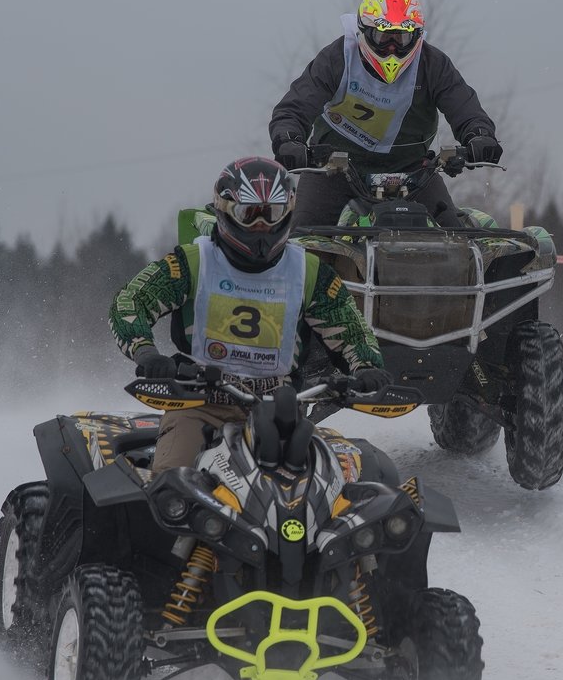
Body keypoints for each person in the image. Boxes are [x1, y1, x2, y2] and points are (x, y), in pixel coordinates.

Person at [110, 156, 390, 471]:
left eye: (271, 214)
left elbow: (350, 328)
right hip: (198, 404)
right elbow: (131, 301)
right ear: (225, 210)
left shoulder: (310, 272)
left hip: (282, 409)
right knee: (171, 482)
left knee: (322, 485)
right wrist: (146, 353)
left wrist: (366, 367)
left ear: (288, 212)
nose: (262, 227)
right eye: (250, 215)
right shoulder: (191, 263)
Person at [269, 0, 502, 229]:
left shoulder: (433, 64)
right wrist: (289, 140)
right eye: (383, 38)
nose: (392, 49)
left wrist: (479, 135)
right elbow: (294, 107)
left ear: (417, 36)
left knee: (453, 238)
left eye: (401, 39)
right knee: (304, 236)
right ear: (363, 32)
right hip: (334, 171)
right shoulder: (337, 59)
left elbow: (464, 106)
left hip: (414, 174)